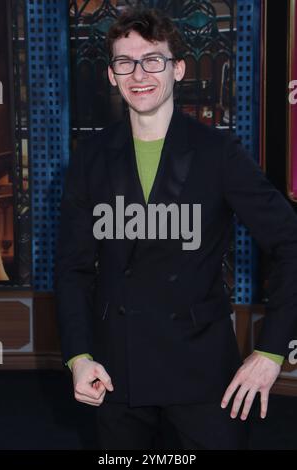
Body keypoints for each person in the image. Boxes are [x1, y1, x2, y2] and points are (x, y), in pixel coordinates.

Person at [55, 8, 297, 450]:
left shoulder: (218, 153)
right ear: (111, 75)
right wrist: (78, 356)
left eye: (152, 59)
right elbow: (73, 269)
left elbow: (290, 242)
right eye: (124, 62)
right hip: (114, 375)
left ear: (177, 68)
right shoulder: (89, 158)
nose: (138, 73)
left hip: (202, 374)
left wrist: (271, 351)